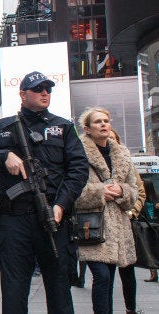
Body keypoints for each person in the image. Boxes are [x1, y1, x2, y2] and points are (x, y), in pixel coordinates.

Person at [0, 71, 89, 313]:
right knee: (14, 290)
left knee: (59, 289)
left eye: (48, 88)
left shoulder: (63, 127)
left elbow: (78, 170)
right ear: (23, 94)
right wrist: (3, 155)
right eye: (38, 89)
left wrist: (62, 204)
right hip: (15, 219)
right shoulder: (3, 127)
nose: (45, 93)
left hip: (53, 216)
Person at [75, 107, 138, 314]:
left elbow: (134, 190)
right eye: (98, 122)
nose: (103, 124)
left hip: (119, 227)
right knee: (102, 276)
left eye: (106, 120)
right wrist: (100, 192)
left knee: (109, 277)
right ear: (87, 128)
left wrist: (122, 191)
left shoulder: (122, 153)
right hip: (93, 226)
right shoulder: (78, 154)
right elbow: (73, 190)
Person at [109, 129, 145, 313]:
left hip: (124, 223)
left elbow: (139, 191)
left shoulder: (126, 162)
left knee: (127, 269)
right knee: (103, 274)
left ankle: (131, 308)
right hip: (104, 225)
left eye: (113, 138)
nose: (110, 141)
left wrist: (132, 212)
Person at [142, 178, 158, 283]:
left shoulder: (157, 198)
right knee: (150, 250)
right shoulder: (141, 199)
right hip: (146, 226)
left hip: (157, 226)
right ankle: (153, 274)